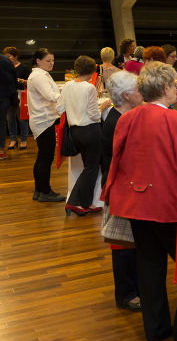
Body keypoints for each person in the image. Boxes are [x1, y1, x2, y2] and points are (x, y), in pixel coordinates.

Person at [102, 62, 177, 341]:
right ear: (166, 89)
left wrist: (112, 197)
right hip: (170, 206)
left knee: (149, 268)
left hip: (136, 204)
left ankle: (156, 328)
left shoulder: (127, 118)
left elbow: (118, 161)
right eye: (175, 86)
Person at [101, 71, 143, 312]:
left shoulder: (121, 116)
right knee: (123, 245)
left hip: (123, 188)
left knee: (129, 244)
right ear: (127, 95)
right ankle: (127, 294)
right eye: (138, 89)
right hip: (121, 191)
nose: (142, 93)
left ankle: (132, 290)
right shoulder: (119, 121)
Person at [58, 55, 109, 216]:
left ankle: (86, 203)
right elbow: (94, 115)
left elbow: (59, 109)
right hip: (91, 130)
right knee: (92, 167)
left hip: (75, 132)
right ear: (93, 70)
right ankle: (74, 202)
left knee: (90, 166)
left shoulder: (67, 86)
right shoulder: (89, 88)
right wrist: (104, 106)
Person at [27, 49, 65, 202]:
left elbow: (52, 92)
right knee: (46, 157)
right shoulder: (38, 76)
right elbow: (50, 95)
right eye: (48, 60)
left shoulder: (40, 74)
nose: (52, 63)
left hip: (43, 119)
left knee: (43, 156)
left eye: (53, 60)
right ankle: (45, 191)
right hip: (43, 120)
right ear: (38, 60)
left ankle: (38, 190)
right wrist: (69, 95)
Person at [2, 47, 31, 151]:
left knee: (22, 119)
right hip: (8, 95)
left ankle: (24, 140)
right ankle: (13, 140)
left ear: (15, 57)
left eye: (9, 57)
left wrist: (22, 80)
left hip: (21, 96)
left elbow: (30, 82)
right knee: (10, 119)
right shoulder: (4, 68)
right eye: (5, 57)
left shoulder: (24, 68)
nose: (7, 59)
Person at [0, 50, 16, 160]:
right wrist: (13, 99)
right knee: (1, 122)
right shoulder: (5, 60)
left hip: (3, 96)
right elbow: (12, 81)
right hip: (4, 97)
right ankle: (0, 151)